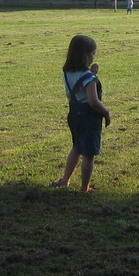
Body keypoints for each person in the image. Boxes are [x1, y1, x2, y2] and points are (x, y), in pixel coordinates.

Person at [51, 34, 111, 192]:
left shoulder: (67, 72)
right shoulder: (89, 78)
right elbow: (93, 101)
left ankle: (65, 179)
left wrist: (92, 73)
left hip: (73, 115)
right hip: (89, 118)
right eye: (93, 53)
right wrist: (106, 111)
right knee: (89, 154)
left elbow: (77, 91)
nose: (94, 56)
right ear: (85, 55)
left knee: (77, 147)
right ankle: (84, 187)